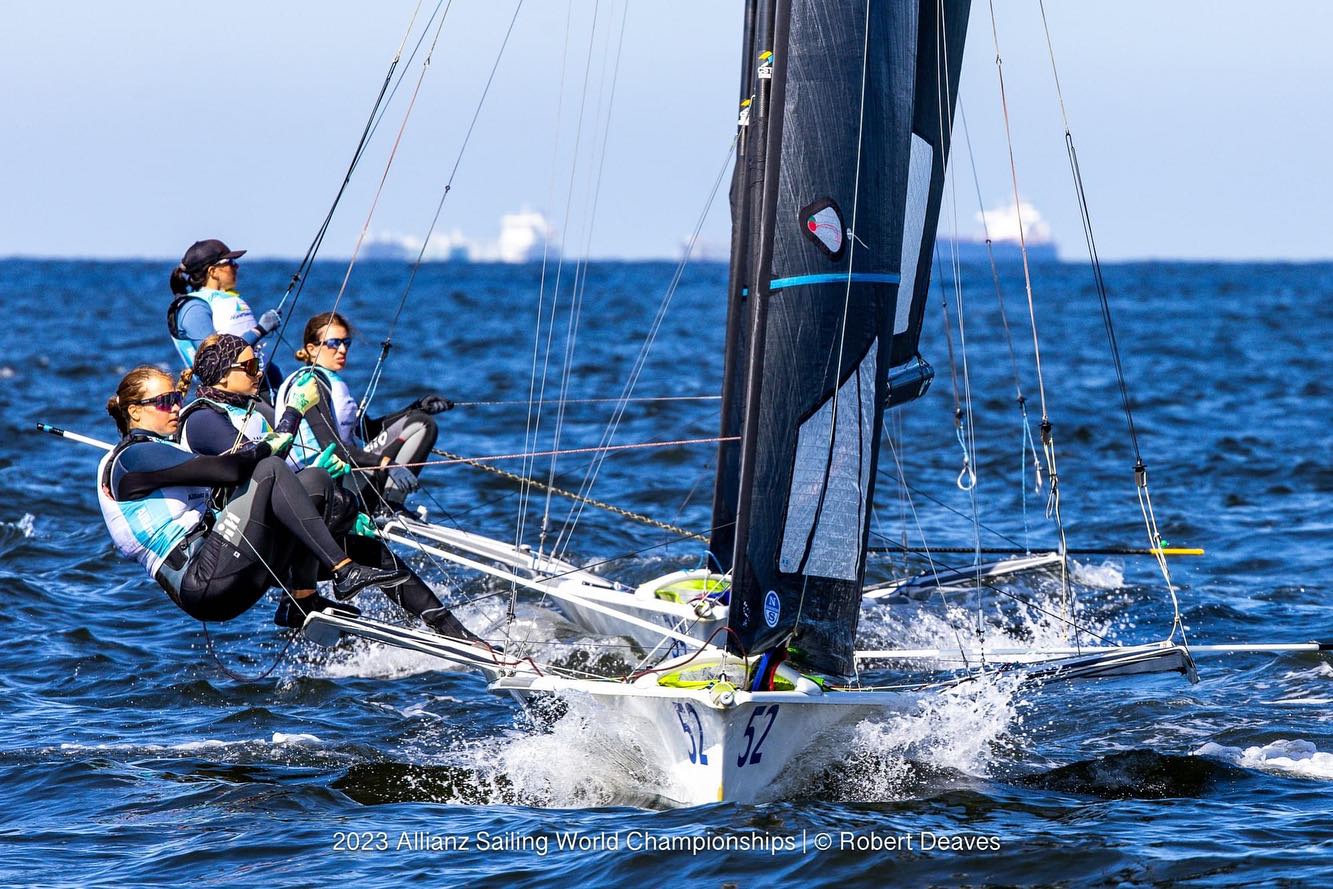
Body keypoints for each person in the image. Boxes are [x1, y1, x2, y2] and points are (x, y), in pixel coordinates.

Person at [179, 334, 483, 640]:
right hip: (232, 548)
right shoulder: (202, 418)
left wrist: (343, 512)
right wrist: (294, 412)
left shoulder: (251, 411)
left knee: (370, 548)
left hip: (267, 537)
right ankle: (324, 582)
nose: (259, 371)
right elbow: (257, 465)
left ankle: (457, 634)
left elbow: (283, 473)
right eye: (250, 365)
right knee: (315, 480)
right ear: (222, 372)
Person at [98, 365, 409, 627]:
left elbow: (230, 487)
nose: (177, 406)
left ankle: (303, 600)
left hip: (231, 566)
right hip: (203, 583)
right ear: (134, 411)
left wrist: (341, 515)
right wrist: (273, 437)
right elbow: (232, 470)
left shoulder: (163, 450)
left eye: (177, 397)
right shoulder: (134, 458)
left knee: (314, 480)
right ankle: (344, 570)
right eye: (164, 401)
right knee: (270, 468)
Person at [276, 311, 453, 513]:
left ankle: (384, 505)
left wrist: (416, 407)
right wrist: (388, 464)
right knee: (422, 425)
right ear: (312, 349)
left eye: (346, 343)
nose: (342, 350)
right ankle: (386, 506)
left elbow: (369, 430)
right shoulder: (309, 384)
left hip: (343, 474)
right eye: (334, 343)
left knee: (418, 418)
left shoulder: (330, 381)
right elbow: (331, 449)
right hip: (317, 485)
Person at [167, 238, 284, 397]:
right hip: (231, 393)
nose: (236, 266)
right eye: (229, 262)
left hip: (260, 385)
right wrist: (260, 330)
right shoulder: (193, 307)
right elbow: (215, 358)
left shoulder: (226, 299)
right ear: (212, 271)